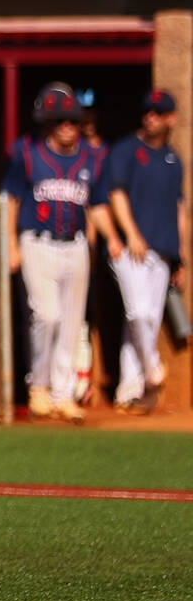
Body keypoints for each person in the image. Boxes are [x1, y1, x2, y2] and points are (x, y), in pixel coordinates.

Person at [2, 84, 120, 423]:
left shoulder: (92, 158)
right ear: (48, 123)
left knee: (71, 322)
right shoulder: (27, 154)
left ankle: (63, 393)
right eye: (61, 120)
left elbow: (96, 204)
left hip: (77, 243)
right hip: (37, 242)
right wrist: (10, 243)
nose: (68, 126)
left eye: (73, 120)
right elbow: (10, 199)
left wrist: (112, 238)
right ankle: (38, 387)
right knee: (46, 316)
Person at [104, 89, 188, 414]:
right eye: (148, 111)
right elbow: (116, 194)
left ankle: (130, 391)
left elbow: (180, 209)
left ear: (171, 119)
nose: (150, 117)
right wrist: (132, 233)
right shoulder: (126, 150)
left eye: (158, 112)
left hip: (164, 251)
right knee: (137, 313)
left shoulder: (172, 159)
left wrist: (181, 255)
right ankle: (154, 371)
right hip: (131, 249)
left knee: (146, 321)